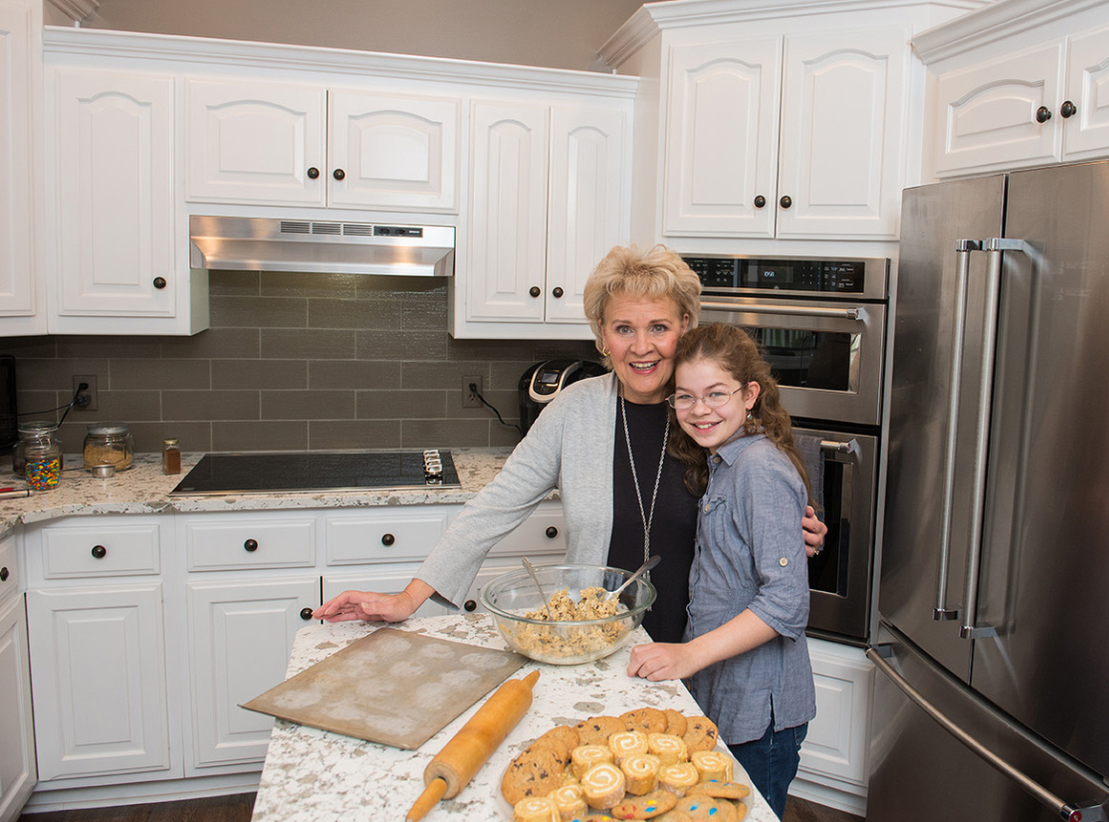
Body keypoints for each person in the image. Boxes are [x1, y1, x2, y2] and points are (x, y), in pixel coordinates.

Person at [314, 245, 827, 644]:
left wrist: (791, 529)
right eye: (623, 328)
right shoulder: (573, 410)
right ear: (601, 335)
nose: (641, 346)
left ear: (685, 328)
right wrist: (408, 599)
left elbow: (771, 490)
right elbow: (493, 507)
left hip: (707, 652)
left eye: (659, 327)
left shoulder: (710, 411)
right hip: (598, 646)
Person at [626, 323, 816, 819]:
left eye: (715, 394)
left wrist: (688, 656)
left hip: (761, 717)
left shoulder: (757, 467)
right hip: (728, 698)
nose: (699, 409)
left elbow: (786, 603)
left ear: (750, 394)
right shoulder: (722, 461)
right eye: (684, 398)